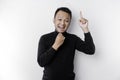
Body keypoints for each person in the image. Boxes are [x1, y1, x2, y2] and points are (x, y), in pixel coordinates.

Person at [37, 7, 95, 80]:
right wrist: (55, 45)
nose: (62, 23)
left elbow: (90, 50)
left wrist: (85, 28)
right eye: (60, 19)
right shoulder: (44, 38)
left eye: (66, 21)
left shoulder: (73, 39)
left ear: (69, 23)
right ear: (54, 20)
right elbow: (41, 62)